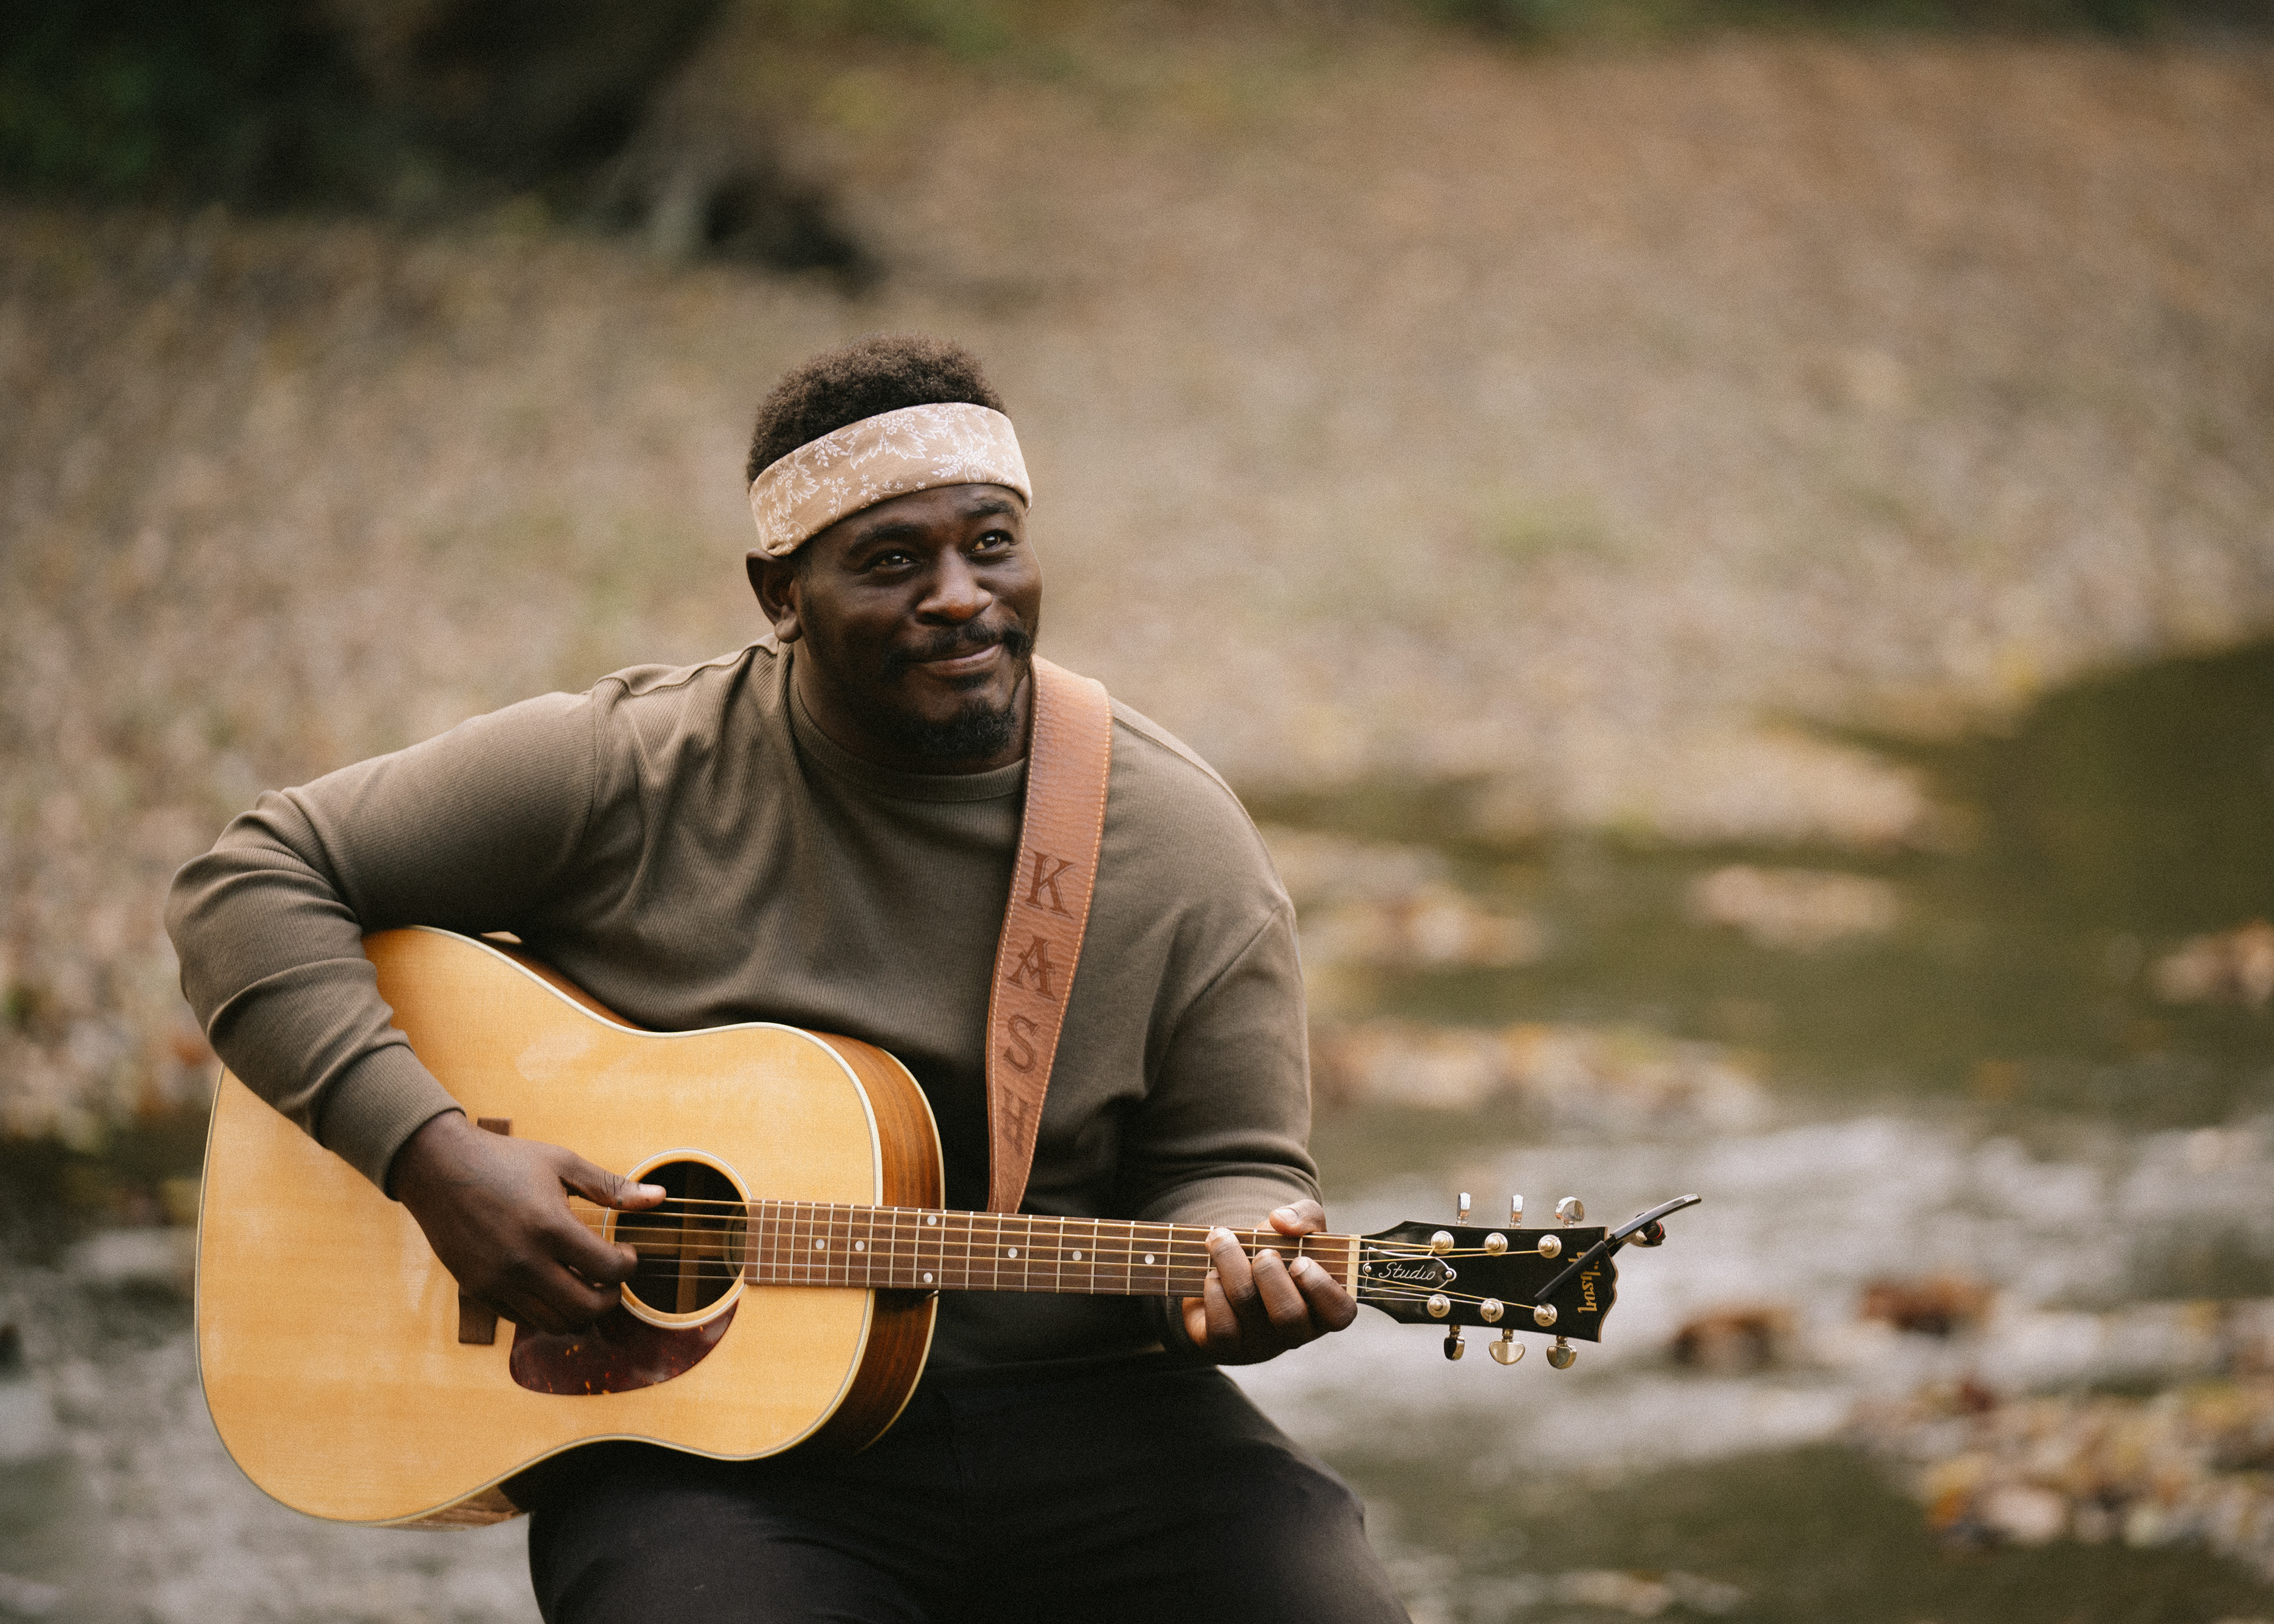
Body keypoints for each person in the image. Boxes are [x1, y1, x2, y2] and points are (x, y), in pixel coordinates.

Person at [167, 333, 1410, 1623]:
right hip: (712, 1455)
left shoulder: (1176, 839)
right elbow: (247, 880)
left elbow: (1232, 1162)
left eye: (991, 544)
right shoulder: (632, 771)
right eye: (893, 561)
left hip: (1090, 1407)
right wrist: (432, 1158)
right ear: (781, 593)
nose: (959, 597)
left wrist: (1243, 1273)